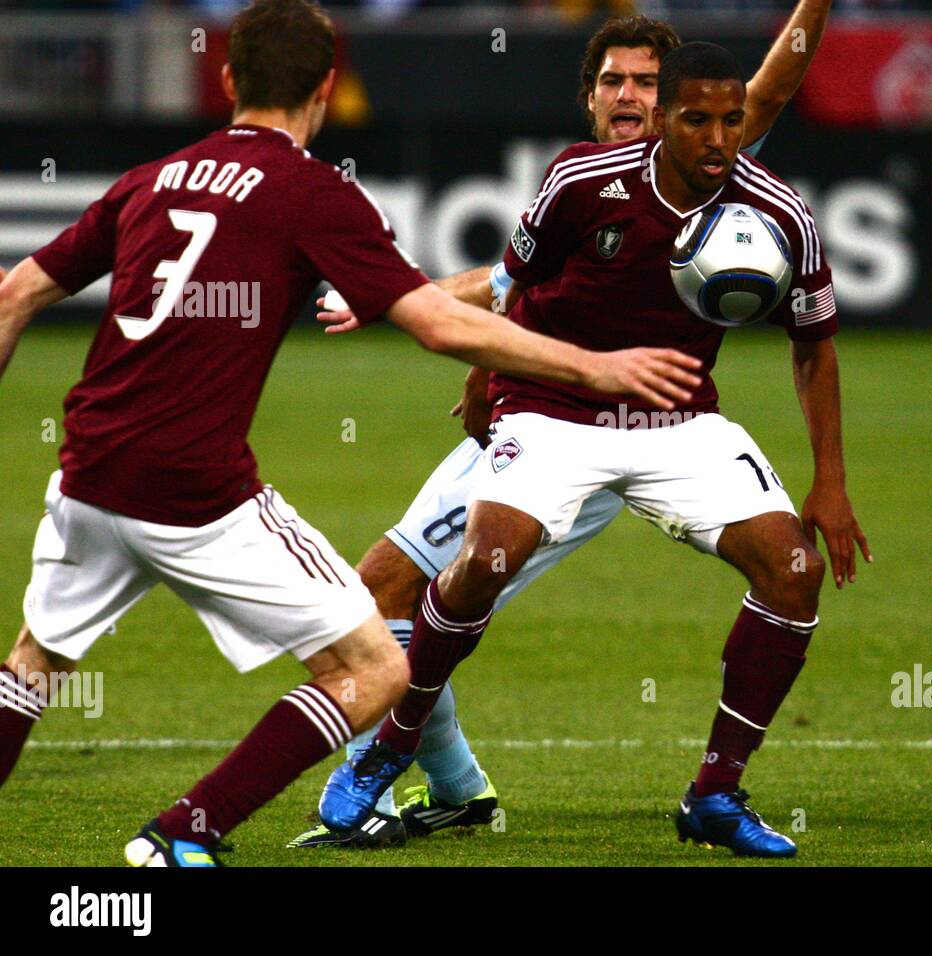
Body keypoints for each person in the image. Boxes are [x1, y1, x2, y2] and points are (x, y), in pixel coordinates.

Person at [0, 0, 698, 867]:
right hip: (196, 493)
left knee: (32, 661)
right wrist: (596, 368)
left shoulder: (155, 176)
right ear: (327, 87)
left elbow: (13, 295)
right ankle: (183, 834)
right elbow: (441, 327)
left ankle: (423, 788)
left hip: (87, 474)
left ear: (226, 78)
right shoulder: (313, 193)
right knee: (374, 670)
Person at [289, 3, 838, 850]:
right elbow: (512, 282)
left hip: (670, 418)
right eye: (613, 80)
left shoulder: (739, 174)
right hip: (546, 406)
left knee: (789, 568)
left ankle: (711, 794)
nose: (629, 94)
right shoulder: (582, 180)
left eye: (647, 83)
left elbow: (771, 88)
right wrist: (445, 334)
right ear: (594, 98)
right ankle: (443, 777)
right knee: (427, 582)